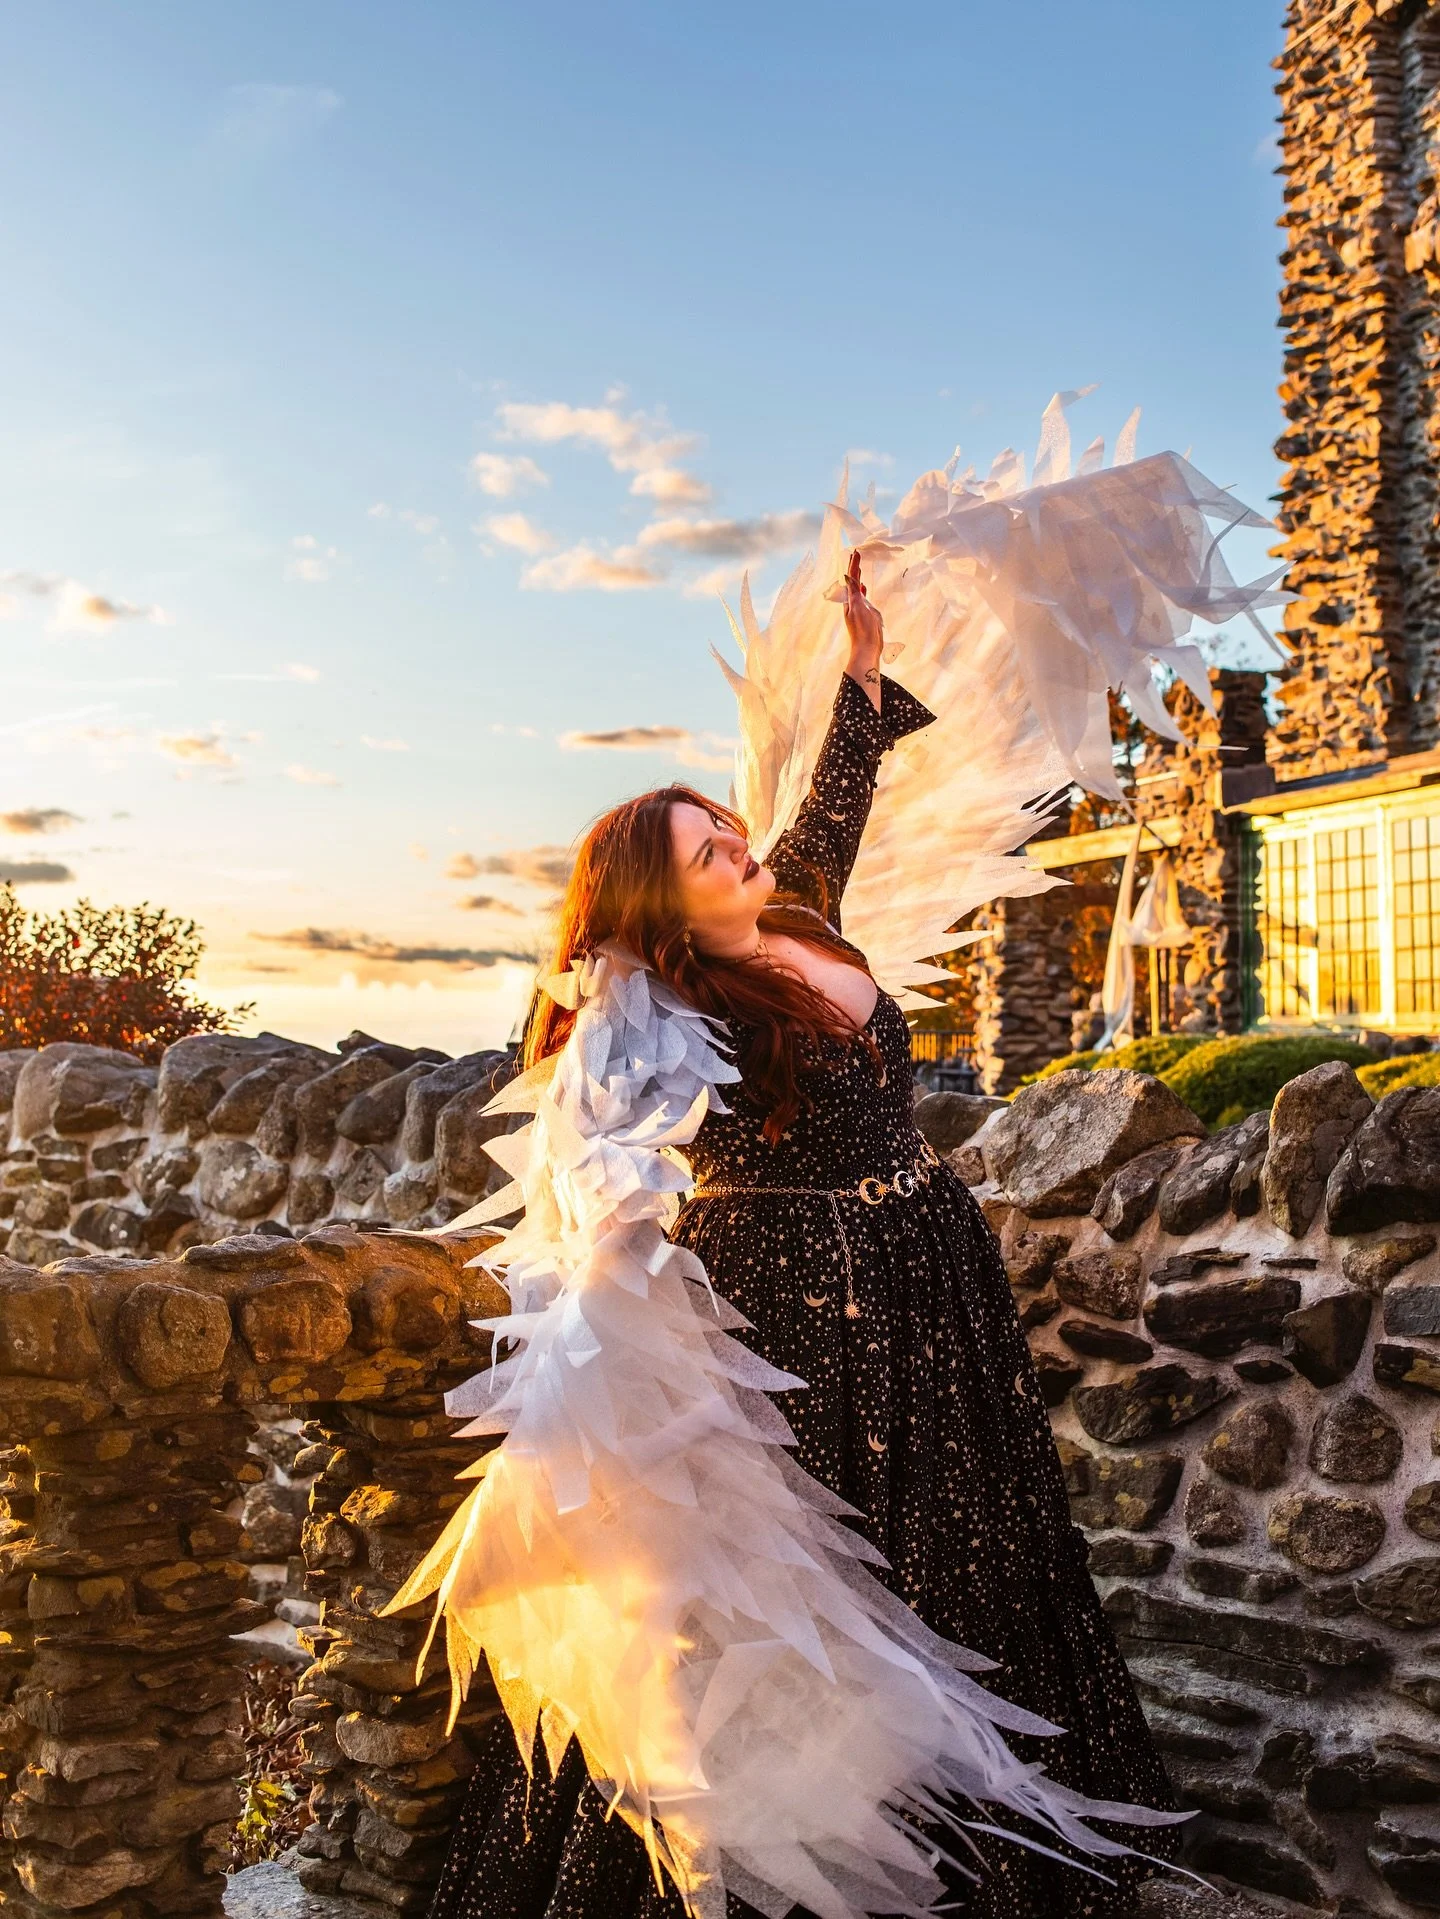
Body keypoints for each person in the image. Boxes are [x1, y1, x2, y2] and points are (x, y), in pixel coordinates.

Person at [419, 554, 1179, 1919]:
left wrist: (864, 677)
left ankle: (992, 1820)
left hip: (926, 1267)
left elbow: (834, 798)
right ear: (662, 905)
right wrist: (616, 1313)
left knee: (967, 1538)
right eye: (708, 849)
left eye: (727, 827)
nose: (738, 844)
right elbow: (597, 1167)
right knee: (829, 1578)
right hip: (800, 1305)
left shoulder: (798, 909)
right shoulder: (651, 1010)